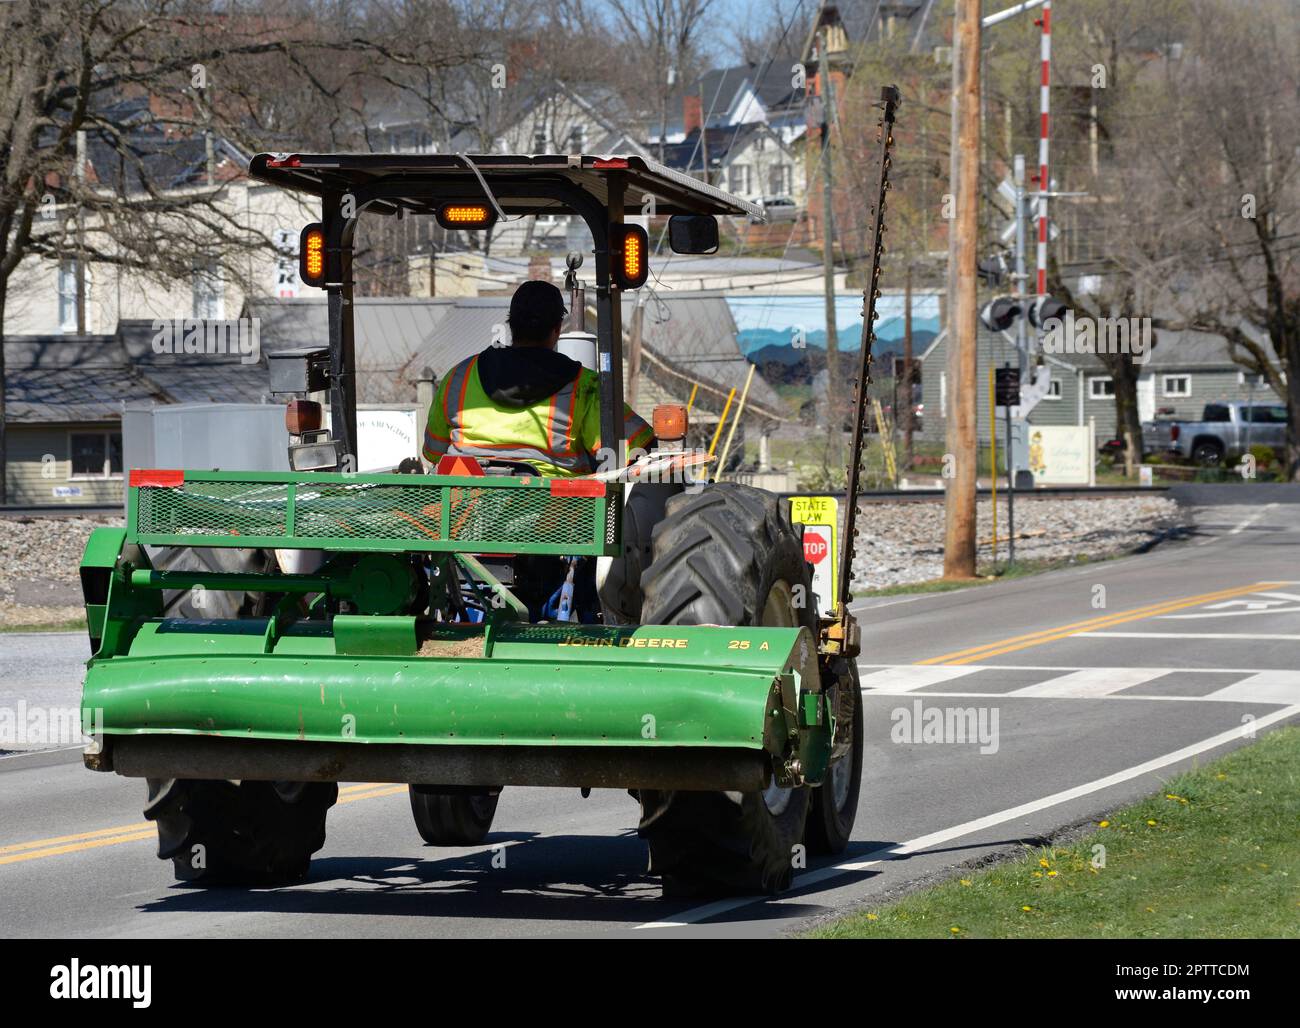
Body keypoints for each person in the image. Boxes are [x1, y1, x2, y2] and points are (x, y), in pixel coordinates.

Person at [422, 280, 652, 476]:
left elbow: (433, 451)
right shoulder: (584, 386)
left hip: (463, 518)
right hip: (555, 522)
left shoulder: (459, 376)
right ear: (557, 329)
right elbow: (634, 451)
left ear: (510, 324)